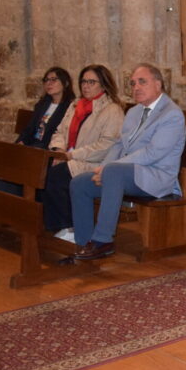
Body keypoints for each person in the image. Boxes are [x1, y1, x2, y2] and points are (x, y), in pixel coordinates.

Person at [65, 63, 186, 262]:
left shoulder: (172, 115)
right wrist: (103, 167)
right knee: (80, 183)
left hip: (156, 178)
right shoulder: (134, 112)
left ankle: (103, 240)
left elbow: (153, 153)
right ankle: (83, 242)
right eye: (132, 83)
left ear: (158, 84)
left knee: (114, 172)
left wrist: (111, 168)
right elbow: (118, 145)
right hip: (126, 174)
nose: (136, 87)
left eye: (142, 82)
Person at [44, 65, 124, 240]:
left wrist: (71, 156)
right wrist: (58, 151)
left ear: (103, 85)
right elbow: (59, 131)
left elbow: (106, 146)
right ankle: (48, 223)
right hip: (70, 157)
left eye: (91, 82)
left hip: (95, 163)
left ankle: (70, 227)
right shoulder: (75, 105)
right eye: (83, 82)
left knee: (57, 175)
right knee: (41, 169)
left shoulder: (112, 110)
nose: (86, 86)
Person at [0, 66, 76, 197]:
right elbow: (29, 129)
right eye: (46, 80)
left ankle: (22, 204)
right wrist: (21, 142)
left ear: (65, 83)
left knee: (19, 166)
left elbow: (61, 135)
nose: (49, 83)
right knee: (1, 167)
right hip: (32, 146)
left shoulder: (70, 107)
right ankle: (11, 204)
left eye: (54, 79)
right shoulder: (42, 104)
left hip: (47, 151)